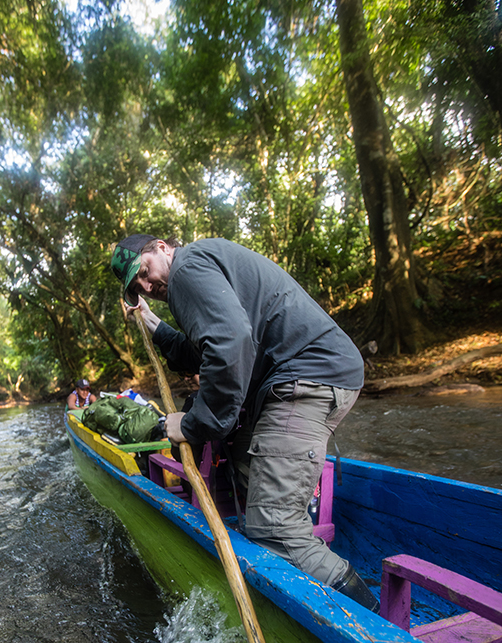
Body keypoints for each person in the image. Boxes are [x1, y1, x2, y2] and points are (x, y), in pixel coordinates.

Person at [110, 234, 379, 611]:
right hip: (301, 380)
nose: (146, 285)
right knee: (248, 475)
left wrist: (191, 425)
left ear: (161, 247)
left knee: (275, 529)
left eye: (143, 272)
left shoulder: (187, 269)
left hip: (307, 379)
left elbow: (231, 344)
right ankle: (282, 554)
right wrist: (154, 324)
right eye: (137, 286)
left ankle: (374, 623)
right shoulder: (199, 267)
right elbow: (202, 350)